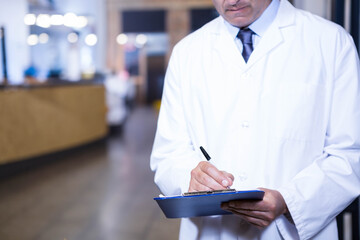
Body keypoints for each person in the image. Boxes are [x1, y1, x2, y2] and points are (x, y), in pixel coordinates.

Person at [150, 0, 360, 239]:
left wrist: (289, 201)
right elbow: (168, 155)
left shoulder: (330, 42)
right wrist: (190, 178)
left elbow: (350, 153)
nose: (231, 0)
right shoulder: (187, 52)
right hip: (212, 231)